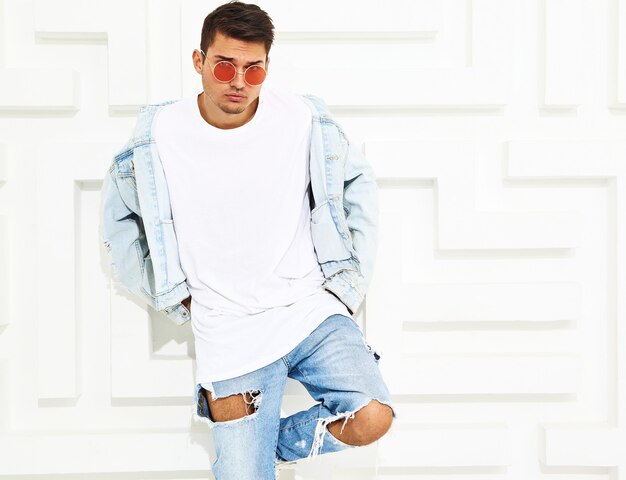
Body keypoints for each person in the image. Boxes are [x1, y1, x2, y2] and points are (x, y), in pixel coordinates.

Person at [100, 2, 396, 478]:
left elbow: (359, 186)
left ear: (266, 67)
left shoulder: (301, 118)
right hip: (228, 333)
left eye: (253, 69)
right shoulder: (159, 135)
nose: (238, 81)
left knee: (372, 415)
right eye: (224, 65)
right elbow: (118, 228)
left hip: (308, 312)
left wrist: (345, 287)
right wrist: (176, 298)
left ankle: (268, 448)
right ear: (199, 62)